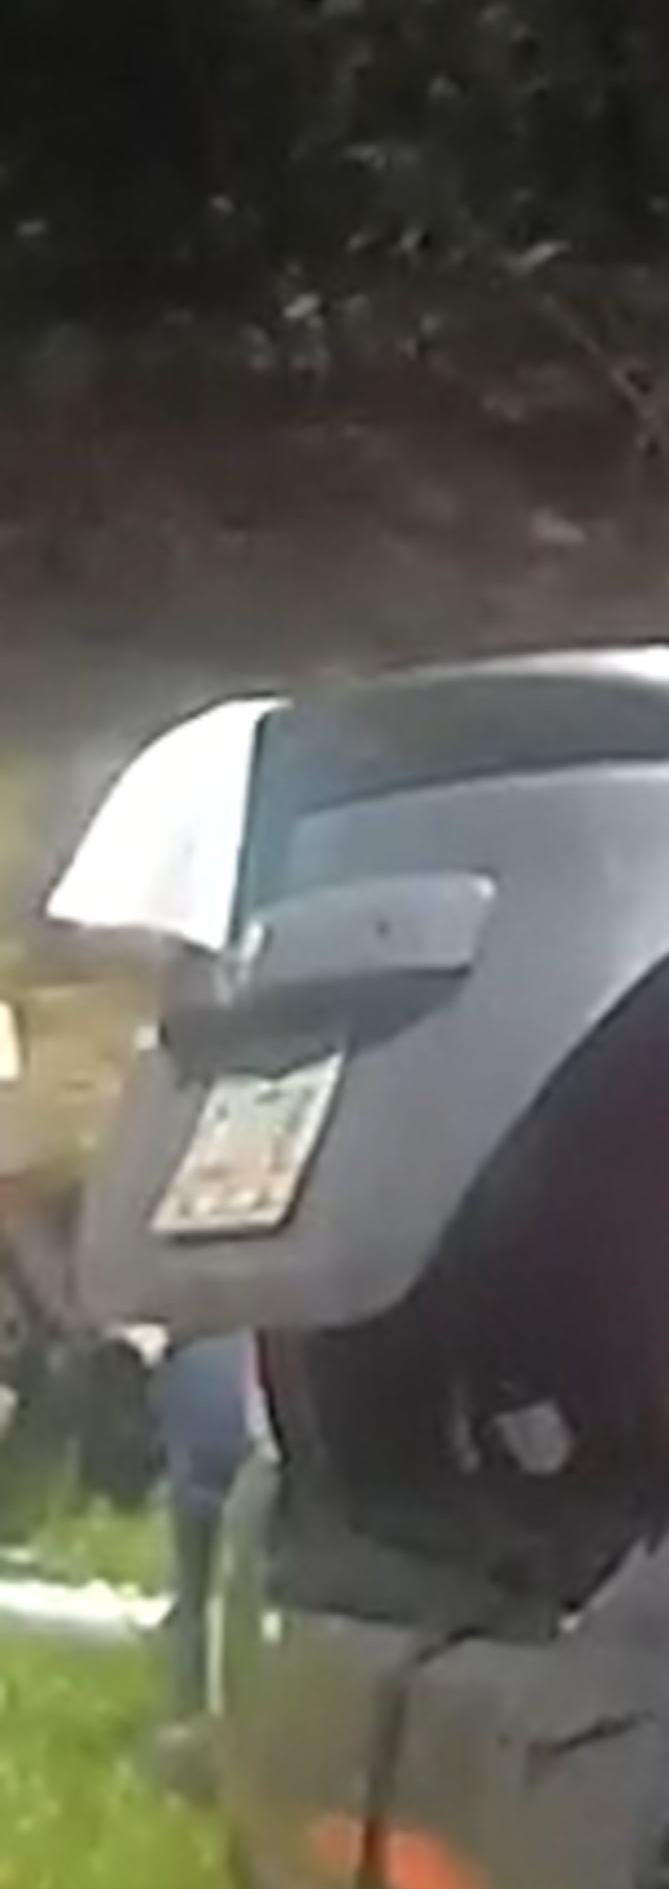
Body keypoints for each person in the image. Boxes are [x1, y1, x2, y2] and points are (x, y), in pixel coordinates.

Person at [27, 691, 280, 1799]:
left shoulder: (209, 1030)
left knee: (214, 1475)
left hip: (239, 1312)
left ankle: (205, 1715)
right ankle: (214, 1713)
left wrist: (105, 1309)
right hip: (256, 1312)